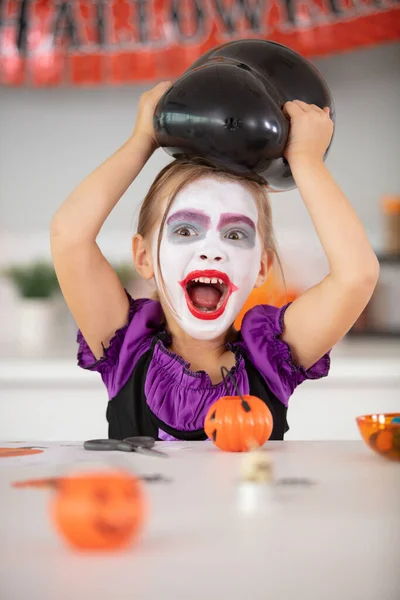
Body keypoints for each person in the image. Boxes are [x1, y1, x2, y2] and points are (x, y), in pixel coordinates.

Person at [50, 82, 379, 442]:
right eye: (186, 231)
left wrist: (306, 159)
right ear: (144, 257)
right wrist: (141, 139)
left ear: (261, 268)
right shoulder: (125, 345)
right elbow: (70, 237)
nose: (212, 250)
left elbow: (356, 276)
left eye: (235, 235)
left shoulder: (270, 359)